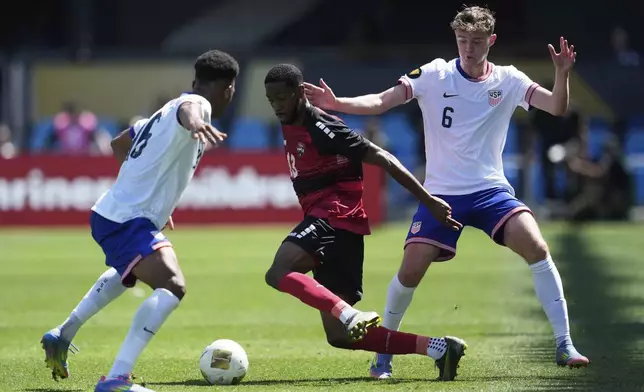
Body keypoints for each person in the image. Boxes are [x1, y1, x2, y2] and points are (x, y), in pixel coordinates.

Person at [304, 6, 589, 380]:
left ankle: (565, 343)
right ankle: (383, 355)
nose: (468, 49)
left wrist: (561, 74)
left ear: (492, 41)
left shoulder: (509, 80)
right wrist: (338, 103)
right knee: (411, 270)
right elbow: (383, 101)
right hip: (440, 195)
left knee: (537, 246)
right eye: (462, 41)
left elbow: (556, 106)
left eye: (475, 42)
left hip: (490, 191)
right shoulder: (435, 74)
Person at [40, 50, 239, 392]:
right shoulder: (197, 106)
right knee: (173, 285)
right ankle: (117, 379)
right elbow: (189, 110)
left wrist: (153, 198)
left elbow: (120, 144)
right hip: (126, 219)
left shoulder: (161, 114)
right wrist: (197, 123)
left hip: (115, 213)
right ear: (227, 89)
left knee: (128, 270)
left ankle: (63, 333)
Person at [263, 63, 467, 381]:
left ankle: (350, 312)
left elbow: (384, 158)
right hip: (335, 223)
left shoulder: (323, 127)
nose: (276, 105)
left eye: (282, 97)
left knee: (279, 271)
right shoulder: (290, 119)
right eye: (270, 99)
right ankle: (440, 348)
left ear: (299, 93)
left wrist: (427, 200)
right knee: (340, 337)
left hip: (336, 216)